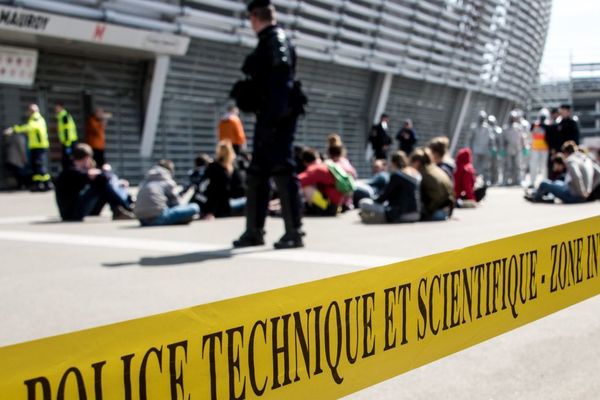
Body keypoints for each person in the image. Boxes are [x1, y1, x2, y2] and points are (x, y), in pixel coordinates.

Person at [232, 0, 304, 249]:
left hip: (276, 118)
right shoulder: (271, 40)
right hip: (271, 116)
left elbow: (282, 83)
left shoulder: (275, 40)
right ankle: (254, 231)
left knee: (283, 171)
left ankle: (294, 232)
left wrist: (272, 120)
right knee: (257, 174)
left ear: (255, 17)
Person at [54, 143, 134, 221]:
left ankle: (125, 206)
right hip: (71, 213)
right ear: (86, 158)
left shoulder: (71, 170)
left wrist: (117, 183)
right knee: (101, 183)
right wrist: (106, 172)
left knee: (105, 184)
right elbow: (99, 177)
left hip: (75, 211)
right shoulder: (70, 171)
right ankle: (125, 207)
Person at [359, 151, 421, 224]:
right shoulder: (416, 174)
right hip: (417, 213)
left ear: (393, 163)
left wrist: (373, 199)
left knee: (363, 202)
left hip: (400, 214)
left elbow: (384, 197)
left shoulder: (397, 176)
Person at [527, 141, 600, 204]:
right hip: (581, 193)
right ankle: (545, 195)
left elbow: (576, 175)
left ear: (566, 153)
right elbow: (598, 173)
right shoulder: (585, 158)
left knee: (544, 183)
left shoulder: (571, 159)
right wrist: (589, 189)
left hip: (573, 196)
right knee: (557, 182)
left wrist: (582, 192)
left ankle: (536, 197)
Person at [134, 159, 199, 226]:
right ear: (170, 170)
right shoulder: (166, 180)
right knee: (194, 207)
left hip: (141, 219)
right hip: (158, 217)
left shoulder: (145, 180)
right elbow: (177, 203)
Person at [4, 104, 51, 191]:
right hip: (37, 146)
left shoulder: (35, 118)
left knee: (39, 165)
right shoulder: (37, 118)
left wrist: (14, 129)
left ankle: (46, 184)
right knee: (37, 166)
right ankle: (39, 184)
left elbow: (29, 127)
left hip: (38, 146)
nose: (28, 112)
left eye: (29, 110)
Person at [201, 140, 247, 219]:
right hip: (230, 203)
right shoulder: (234, 167)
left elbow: (211, 190)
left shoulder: (213, 166)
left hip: (219, 204)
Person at [409, 147, 454, 221]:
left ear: (416, 162)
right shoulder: (435, 169)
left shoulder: (422, 174)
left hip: (437, 212)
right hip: (446, 210)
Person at [298, 148, 343, 216]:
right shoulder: (324, 165)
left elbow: (297, 181)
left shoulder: (316, 169)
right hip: (336, 206)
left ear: (304, 162)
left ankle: (313, 209)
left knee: (306, 187)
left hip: (329, 207)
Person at [468, 111, 494, 185]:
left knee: (485, 166)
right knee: (474, 165)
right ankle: (473, 179)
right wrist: (469, 148)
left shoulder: (488, 128)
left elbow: (491, 139)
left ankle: (486, 180)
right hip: (476, 149)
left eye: (483, 118)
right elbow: (470, 138)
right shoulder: (474, 127)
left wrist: (491, 147)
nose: (481, 119)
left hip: (485, 150)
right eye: (480, 118)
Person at [502, 111, 525, 186]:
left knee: (518, 165)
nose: (513, 119)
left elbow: (522, 138)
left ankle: (517, 180)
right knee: (508, 165)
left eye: (514, 118)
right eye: (512, 118)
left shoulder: (519, 127)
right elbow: (503, 139)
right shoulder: (506, 128)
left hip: (517, 149)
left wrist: (524, 147)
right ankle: (506, 180)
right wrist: (502, 149)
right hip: (508, 148)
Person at [528, 108, 550, 187]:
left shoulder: (548, 125)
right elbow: (529, 135)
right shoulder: (534, 124)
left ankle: (545, 182)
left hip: (545, 149)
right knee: (533, 165)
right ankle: (532, 182)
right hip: (535, 148)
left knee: (544, 167)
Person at [55, 102, 78, 169]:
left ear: (61, 107)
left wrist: (67, 143)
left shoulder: (64, 116)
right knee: (67, 160)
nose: (56, 109)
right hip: (67, 141)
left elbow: (66, 129)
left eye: (57, 107)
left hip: (68, 142)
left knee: (68, 160)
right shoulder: (62, 116)